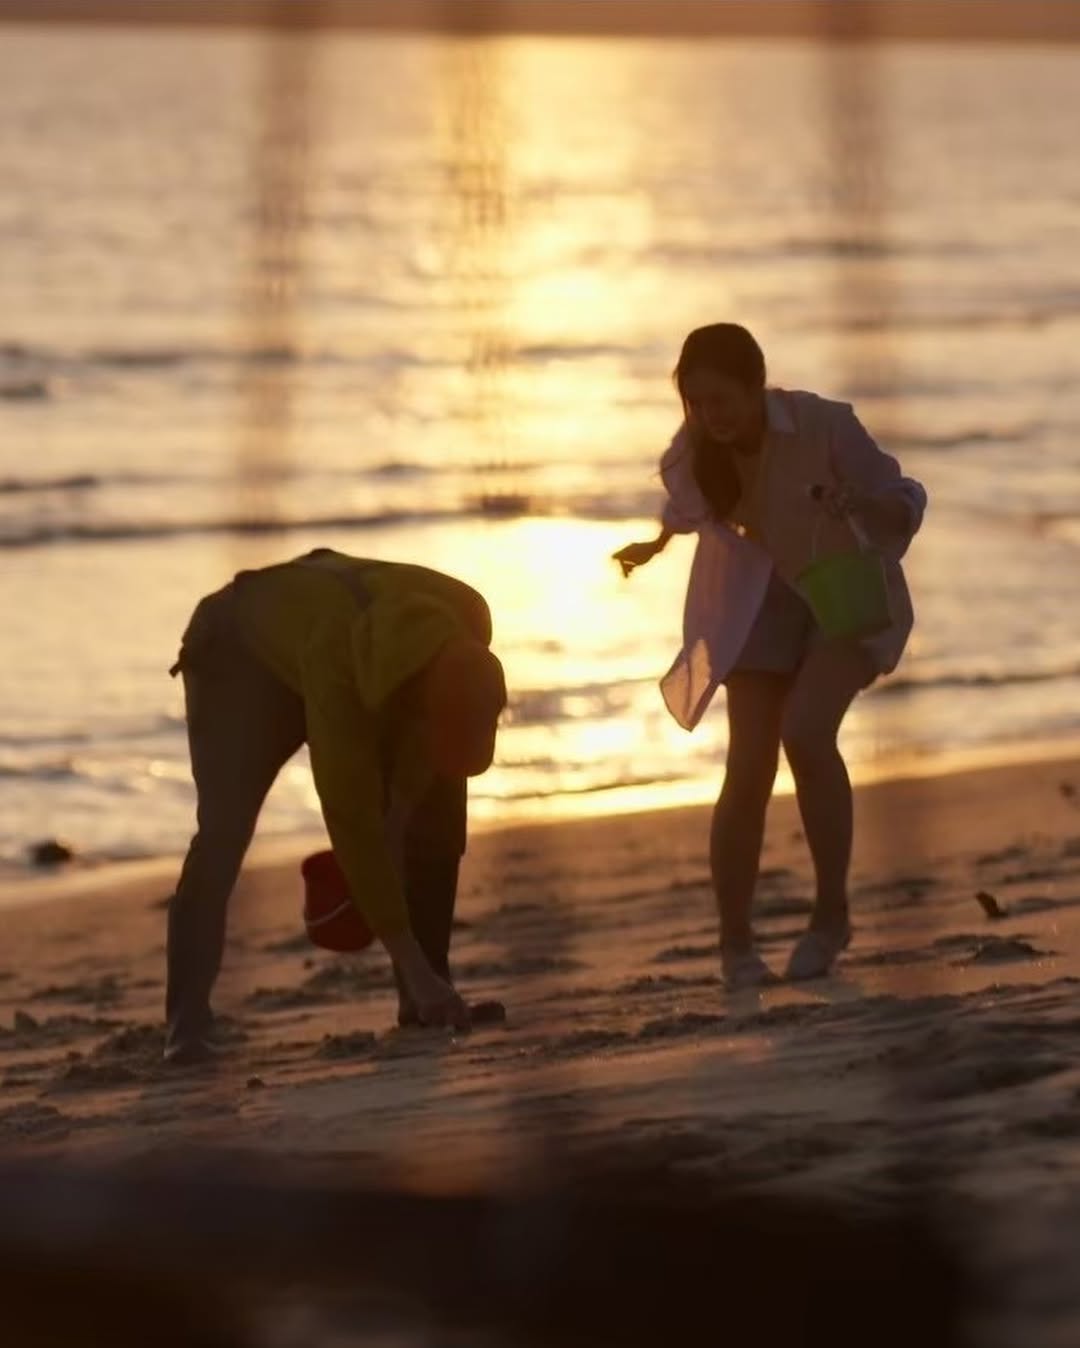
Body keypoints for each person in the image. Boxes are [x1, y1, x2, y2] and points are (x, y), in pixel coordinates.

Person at [614, 324, 926, 988]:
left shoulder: (825, 425)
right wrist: (654, 547)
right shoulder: (699, 444)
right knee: (747, 768)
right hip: (758, 598)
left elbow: (905, 495)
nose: (708, 417)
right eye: (695, 403)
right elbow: (684, 504)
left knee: (806, 733)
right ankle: (735, 945)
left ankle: (829, 915)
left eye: (721, 400)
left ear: (758, 386)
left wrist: (863, 505)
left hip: (842, 592)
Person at [164, 547, 507, 1062]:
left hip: (346, 641)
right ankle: (185, 1026)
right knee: (223, 831)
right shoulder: (337, 662)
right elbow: (352, 821)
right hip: (239, 657)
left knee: (438, 803)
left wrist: (404, 808)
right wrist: (403, 950)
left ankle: (427, 995)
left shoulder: (467, 615)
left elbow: (427, 745)